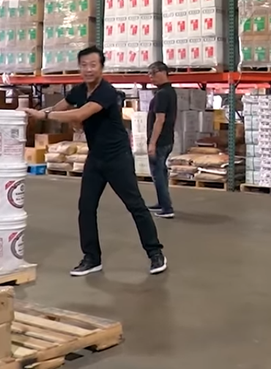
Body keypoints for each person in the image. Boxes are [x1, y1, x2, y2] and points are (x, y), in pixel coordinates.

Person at [26, 46, 167, 276]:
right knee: (86, 207)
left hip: (117, 158)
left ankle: (155, 253)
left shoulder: (106, 91)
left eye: (93, 65)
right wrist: (32, 113)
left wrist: (45, 115)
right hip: (96, 158)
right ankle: (92, 258)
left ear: (101, 67)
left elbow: (79, 114)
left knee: (135, 205)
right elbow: (58, 109)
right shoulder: (79, 90)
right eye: (84, 65)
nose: (88, 69)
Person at [145, 61, 177, 219]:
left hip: (160, 141)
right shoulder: (169, 91)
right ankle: (162, 202)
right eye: (149, 74)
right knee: (161, 173)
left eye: (154, 73)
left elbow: (160, 119)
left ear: (163, 72)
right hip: (167, 139)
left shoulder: (162, 94)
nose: (151, 77)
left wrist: (152, 143)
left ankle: (167, 208)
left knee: (157, 174)